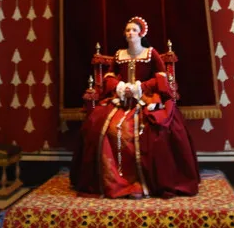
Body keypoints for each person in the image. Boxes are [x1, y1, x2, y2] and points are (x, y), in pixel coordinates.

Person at [70, 16, 200, 198]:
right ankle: (116, 180)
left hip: (145, 98)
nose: (130, 33)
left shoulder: (150, 53)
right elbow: (108, 78)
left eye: (133, 30)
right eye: (127, 30)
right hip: (121, 99)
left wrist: (140, 87)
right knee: (100, 126)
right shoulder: (119, 55)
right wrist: (120, 86)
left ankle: (144, 182)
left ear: (141, 33)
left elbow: (161, 78)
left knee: (152, 131)